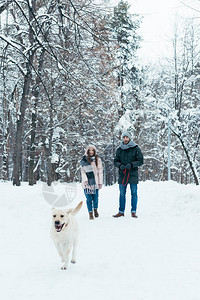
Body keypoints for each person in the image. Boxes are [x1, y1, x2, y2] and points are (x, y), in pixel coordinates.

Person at [113, 132, 143, 218]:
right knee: (122, 193)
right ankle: (121, 211)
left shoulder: (136, 148)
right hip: (122, 174)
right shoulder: (119, 149)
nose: (125, 139)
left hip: (133, 174)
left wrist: (132, 164)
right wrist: (120, 165)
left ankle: (133, 211)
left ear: (129, 138)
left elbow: (141, 161)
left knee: (134, 193)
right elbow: (115, 161)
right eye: (124, 137)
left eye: (127, 137)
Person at [80, 145, 103, 220]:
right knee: (89, 199)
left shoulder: (97, 160)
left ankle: (95, 210)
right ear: (87, 151)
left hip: (95, 182)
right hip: (87, 183)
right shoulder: (84, 160)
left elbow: (100, 171)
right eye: (89, 150)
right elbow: (83, 172)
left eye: (92, 150)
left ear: (94, 151)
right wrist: (86, 181)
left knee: (95, 198)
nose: (91, 152)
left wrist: (100, 182)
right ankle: (90, 213)